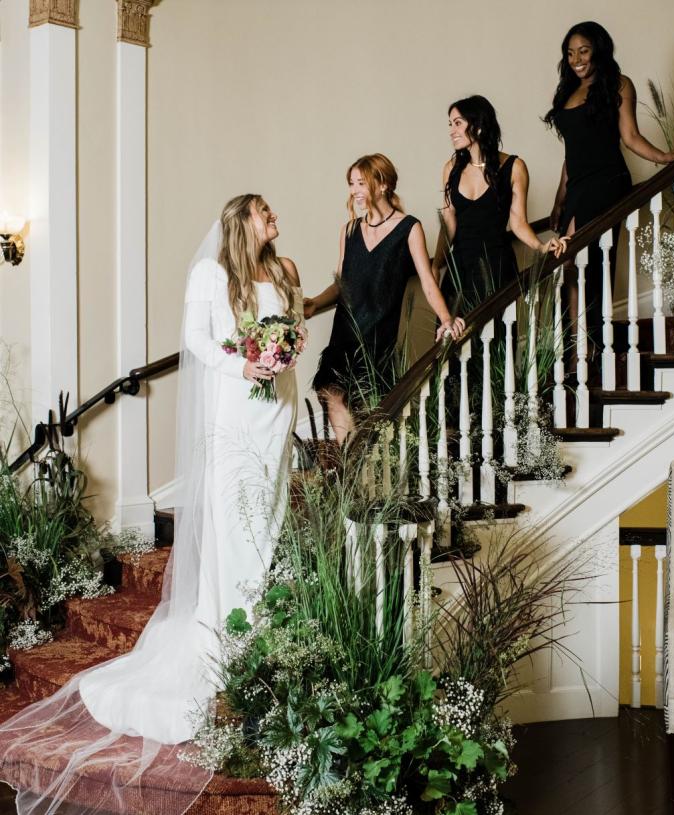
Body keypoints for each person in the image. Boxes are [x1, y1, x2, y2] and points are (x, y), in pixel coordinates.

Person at [0, 194, 303, 814]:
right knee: (237, 525)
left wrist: (282, 353)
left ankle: (260, 625)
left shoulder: (282, 270)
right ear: (242, 220)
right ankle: (233, 631)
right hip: (237, 414)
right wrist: (244, 363)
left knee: (268, 519)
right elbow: (194, 339)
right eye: (264, 211)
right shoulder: (211, 273)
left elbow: (291, 331)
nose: (275, 216)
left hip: (277, 415)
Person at [544, 20, 674, 351]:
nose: (577, 59)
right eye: (570, 54)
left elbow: (631, 137)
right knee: (569, 264)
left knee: (583, 259)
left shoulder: (618, 85)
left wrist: (665, 157)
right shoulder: (567, 91)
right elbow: (572, 154)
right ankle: (578, 346)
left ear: (598, 49)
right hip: (577, 185)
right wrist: (558, 200)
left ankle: (588, 346)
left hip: (607, 180)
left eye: (583, 51)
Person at [305, 153, 465, 445]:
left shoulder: (409, 228)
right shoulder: (349, 230)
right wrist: (315, 303)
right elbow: (340, 284)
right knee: (332, 393)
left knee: (370, 408)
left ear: (383, 185)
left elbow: (428, 281)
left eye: (360, 183)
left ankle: (370, 475)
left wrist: (446, 319)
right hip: (345, 331)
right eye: (351, 183)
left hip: (379, 334)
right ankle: (352, 468)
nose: (354, 190)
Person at [432, 95, 568, 313]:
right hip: (460, 269)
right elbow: (448, 222)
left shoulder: (514, 167)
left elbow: (518, 222)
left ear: (477, 126)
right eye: (450, 124)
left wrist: (541, 247)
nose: (452, 131)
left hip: (496, 265)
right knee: (455, 340)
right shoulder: (451, 168)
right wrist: (437, 264)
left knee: (497, 341)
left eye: (457, 123)